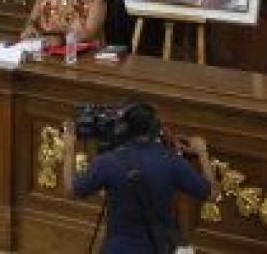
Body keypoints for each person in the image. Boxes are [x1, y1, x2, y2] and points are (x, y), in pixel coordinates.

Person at [61, 102, 214, 254]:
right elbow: (212, 193)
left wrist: (69, 147)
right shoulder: (172, 162)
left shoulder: (107, 162)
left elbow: (70, 190)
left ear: (125, 128)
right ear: (156, 129)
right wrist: (202, 152)